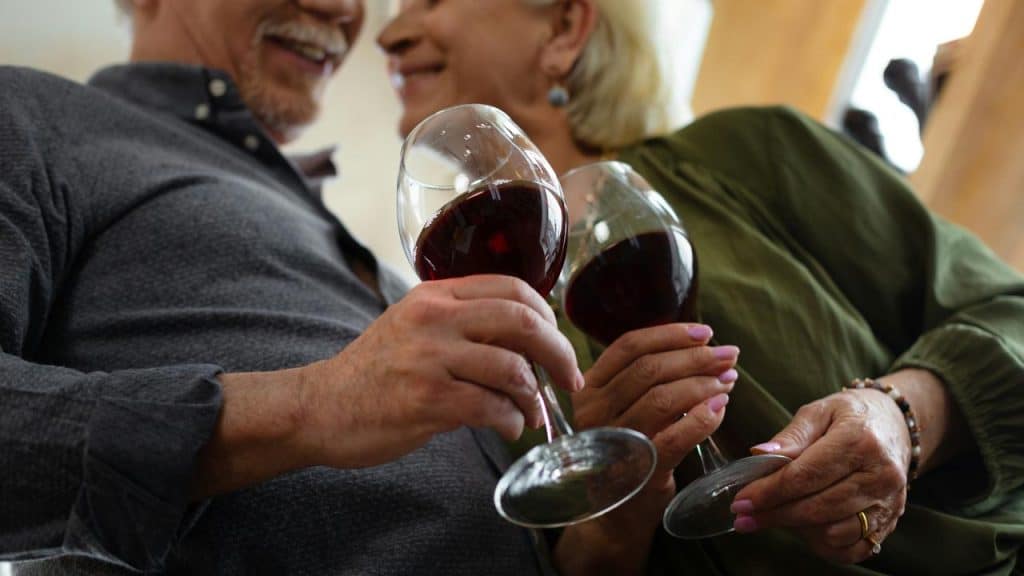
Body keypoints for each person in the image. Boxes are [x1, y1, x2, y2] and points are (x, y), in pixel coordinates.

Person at [0, 0, 734, 574]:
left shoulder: (349, 243)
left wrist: (610, 526)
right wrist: (314, 403)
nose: (344, 12)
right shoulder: (31, 115)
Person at [379, 1, 1024, 574]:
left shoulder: (745, 154)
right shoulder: (472, 344)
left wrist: (901, 416)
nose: (390, 35)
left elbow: (1010, 314)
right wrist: (618, 510)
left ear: (565, 28)